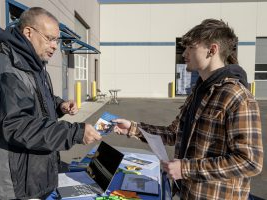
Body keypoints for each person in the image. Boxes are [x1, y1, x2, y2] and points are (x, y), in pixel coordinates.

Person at [113, 19, 263, 200]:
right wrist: (132, 128)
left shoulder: (237, 96)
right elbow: (174, 133)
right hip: (187, 193)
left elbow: (250, 161)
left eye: (190, 47)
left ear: (212, 50)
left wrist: (186, 169)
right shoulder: (199, 91)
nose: (184, 53)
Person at [0, 7, 102, 199]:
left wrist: (59, 105)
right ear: (28, 32)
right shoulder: (4, 71)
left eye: (57, 40)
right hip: (6, 186)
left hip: (28, 175)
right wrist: (75, 132)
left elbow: (34, 101)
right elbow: (17, 125)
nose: (55, 46)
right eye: (50, 38)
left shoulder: (34, 66)